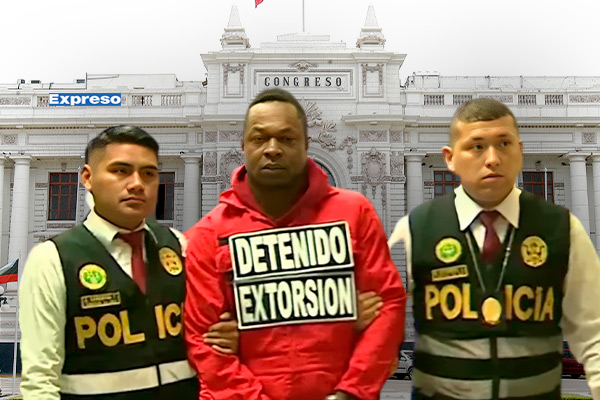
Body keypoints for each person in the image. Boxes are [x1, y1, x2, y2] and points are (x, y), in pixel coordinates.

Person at [184, 88, 407, 400]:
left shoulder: (355, 213)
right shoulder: (207, 234)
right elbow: (204, 342)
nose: (272, 149)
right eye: (259, 138)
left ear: (306, 144)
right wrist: (343, 320)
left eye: (287, 138)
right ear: (243, 145)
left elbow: (388, 305)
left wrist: (350, 393)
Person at [388, 98, 600, 400]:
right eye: (476, 147)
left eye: (504, 145)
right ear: (450, 159)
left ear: (520, 152)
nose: (491, 159)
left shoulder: (559, 228)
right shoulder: (421, 229)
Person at [19, 126, 238, 400]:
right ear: (88, 177)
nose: (136, 184)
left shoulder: (177, 246)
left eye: (148, 174)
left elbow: (207, 332)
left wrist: (229, 336)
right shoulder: (53, 259)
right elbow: (40, 379)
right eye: (120, 171)